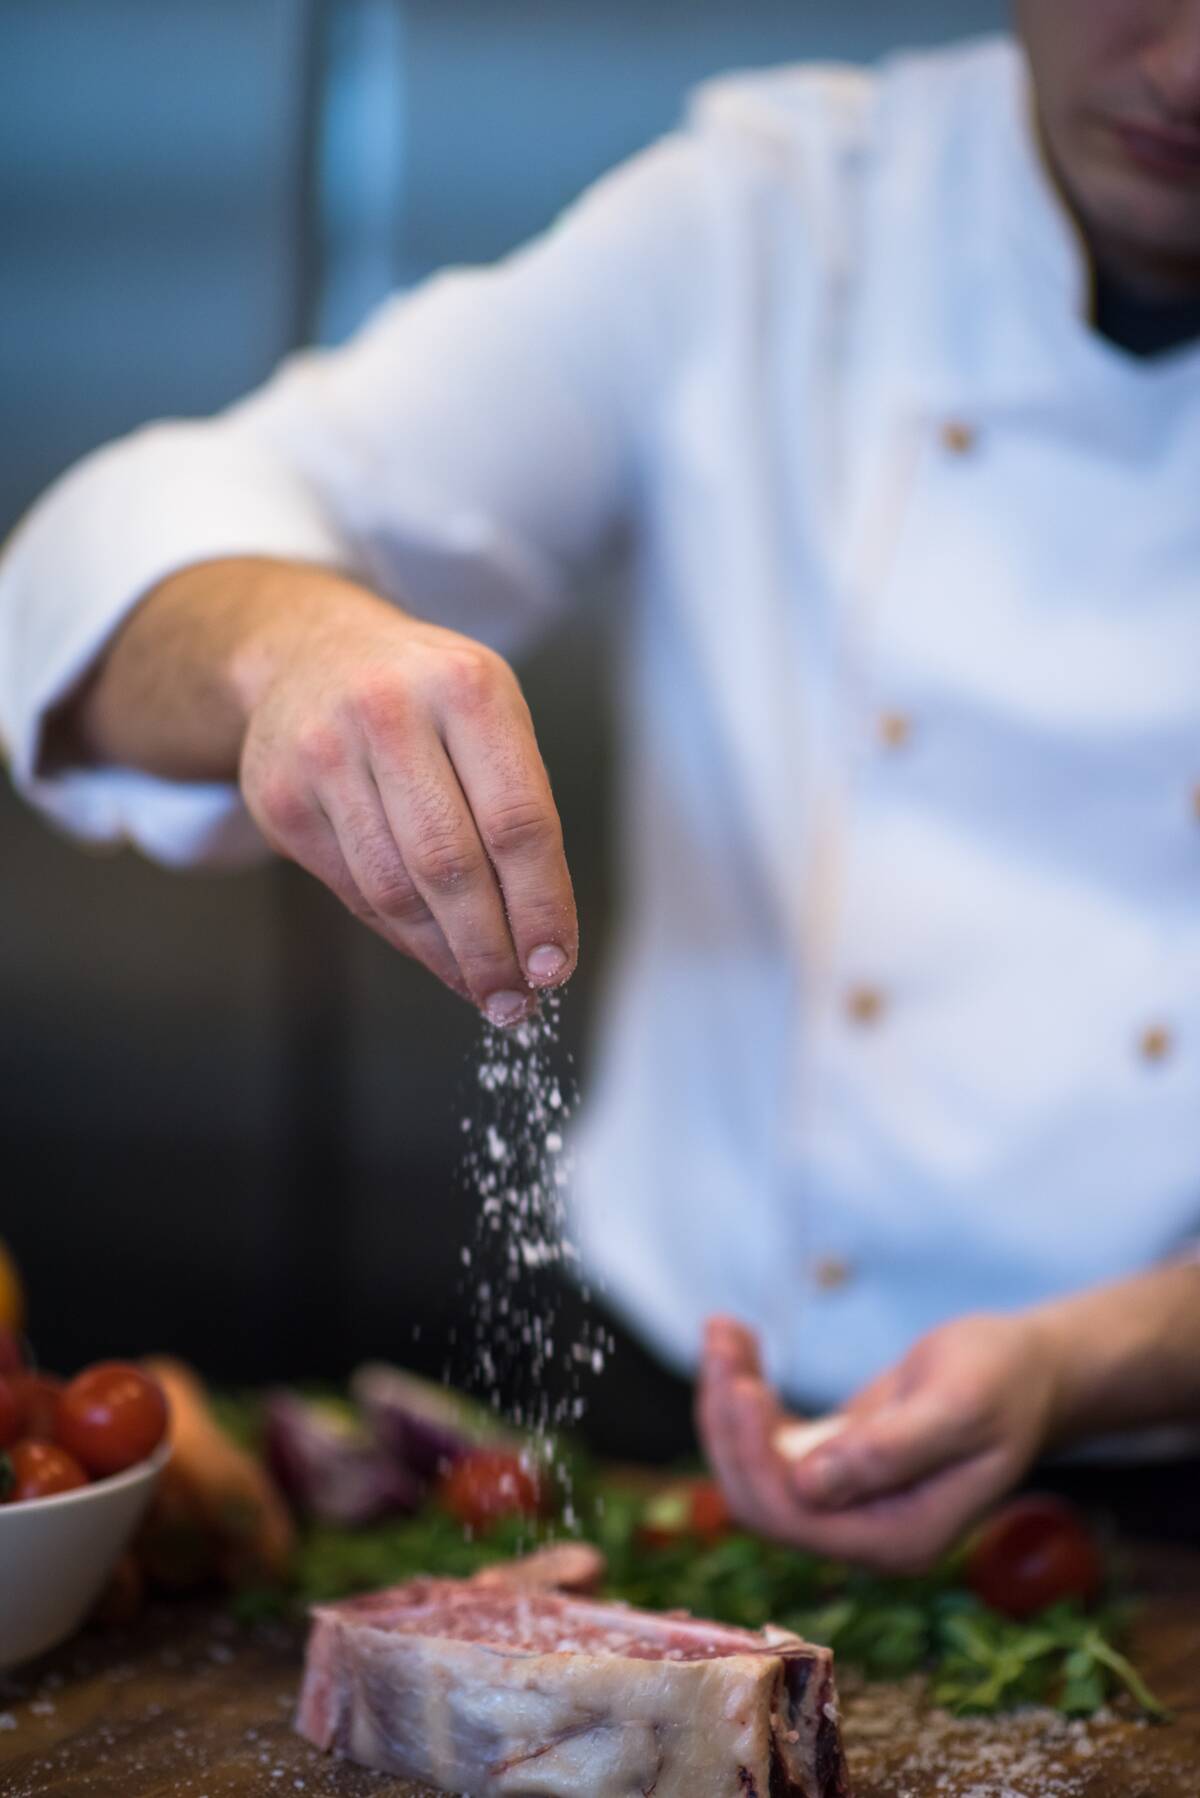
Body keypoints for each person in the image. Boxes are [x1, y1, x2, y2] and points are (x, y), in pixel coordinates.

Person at [3, 4, 1200, 1572]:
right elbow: (103, 554)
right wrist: (286, 645)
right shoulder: (786, 215)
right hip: (666, 1409)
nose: (1187, 68)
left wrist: (1091, 1357)